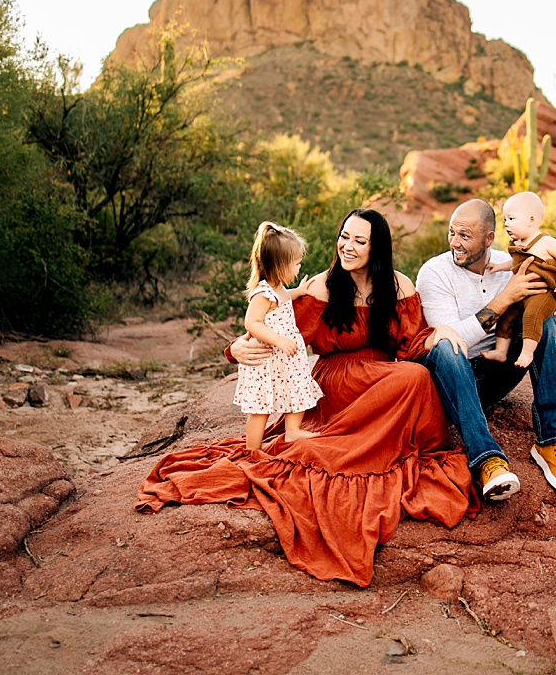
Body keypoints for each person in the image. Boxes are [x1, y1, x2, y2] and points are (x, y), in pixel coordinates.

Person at [136, 208, 475, 588]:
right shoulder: (322, 286)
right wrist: (234, 348)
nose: (347, 246)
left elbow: (411, 344)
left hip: (382, 378)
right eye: (344, 236)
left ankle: (375, 446)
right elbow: (270, 325)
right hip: (337, 380)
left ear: (377, 247)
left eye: (359, 241)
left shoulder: (399, 286)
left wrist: (440, 332)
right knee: (411, 377)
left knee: (417, 375)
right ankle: (360, 447)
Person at [416, 198, 556, 501]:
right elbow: (453, 339)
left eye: (465, 235)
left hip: (495, 372)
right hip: (453, 380)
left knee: (544, 323)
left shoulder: (514, 263)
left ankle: (553, 439)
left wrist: (551, 298)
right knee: (445, 345)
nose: (455, 243)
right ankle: (487, 460)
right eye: (452, 232)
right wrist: (505, 299)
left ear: (489, 238)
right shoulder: (433, 273)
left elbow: (543, 302)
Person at [234, 221, 322, 449]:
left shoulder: (279, 288)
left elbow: (284, 299)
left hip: (284, 358)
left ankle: (292, 431)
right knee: (260, 408)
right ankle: (253, 449)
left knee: (298, 390)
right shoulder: (262, 293)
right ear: (279, 266)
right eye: (296, 264)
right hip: (267, 359)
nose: (299, 268)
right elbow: (252, 322)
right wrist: (278, 340)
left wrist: (299, 291)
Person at [481, 191, 556, 368]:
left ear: (531, 220)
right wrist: (499, 266)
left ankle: (527, 353)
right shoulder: (518, 245)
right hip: (523, 293)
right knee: (506, 315)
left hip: (544, 292)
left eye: (511, 219)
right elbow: (515, 263)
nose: (506, 224)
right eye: (505, 220)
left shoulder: (545, 242)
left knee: (533, 315)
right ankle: (501, 351)